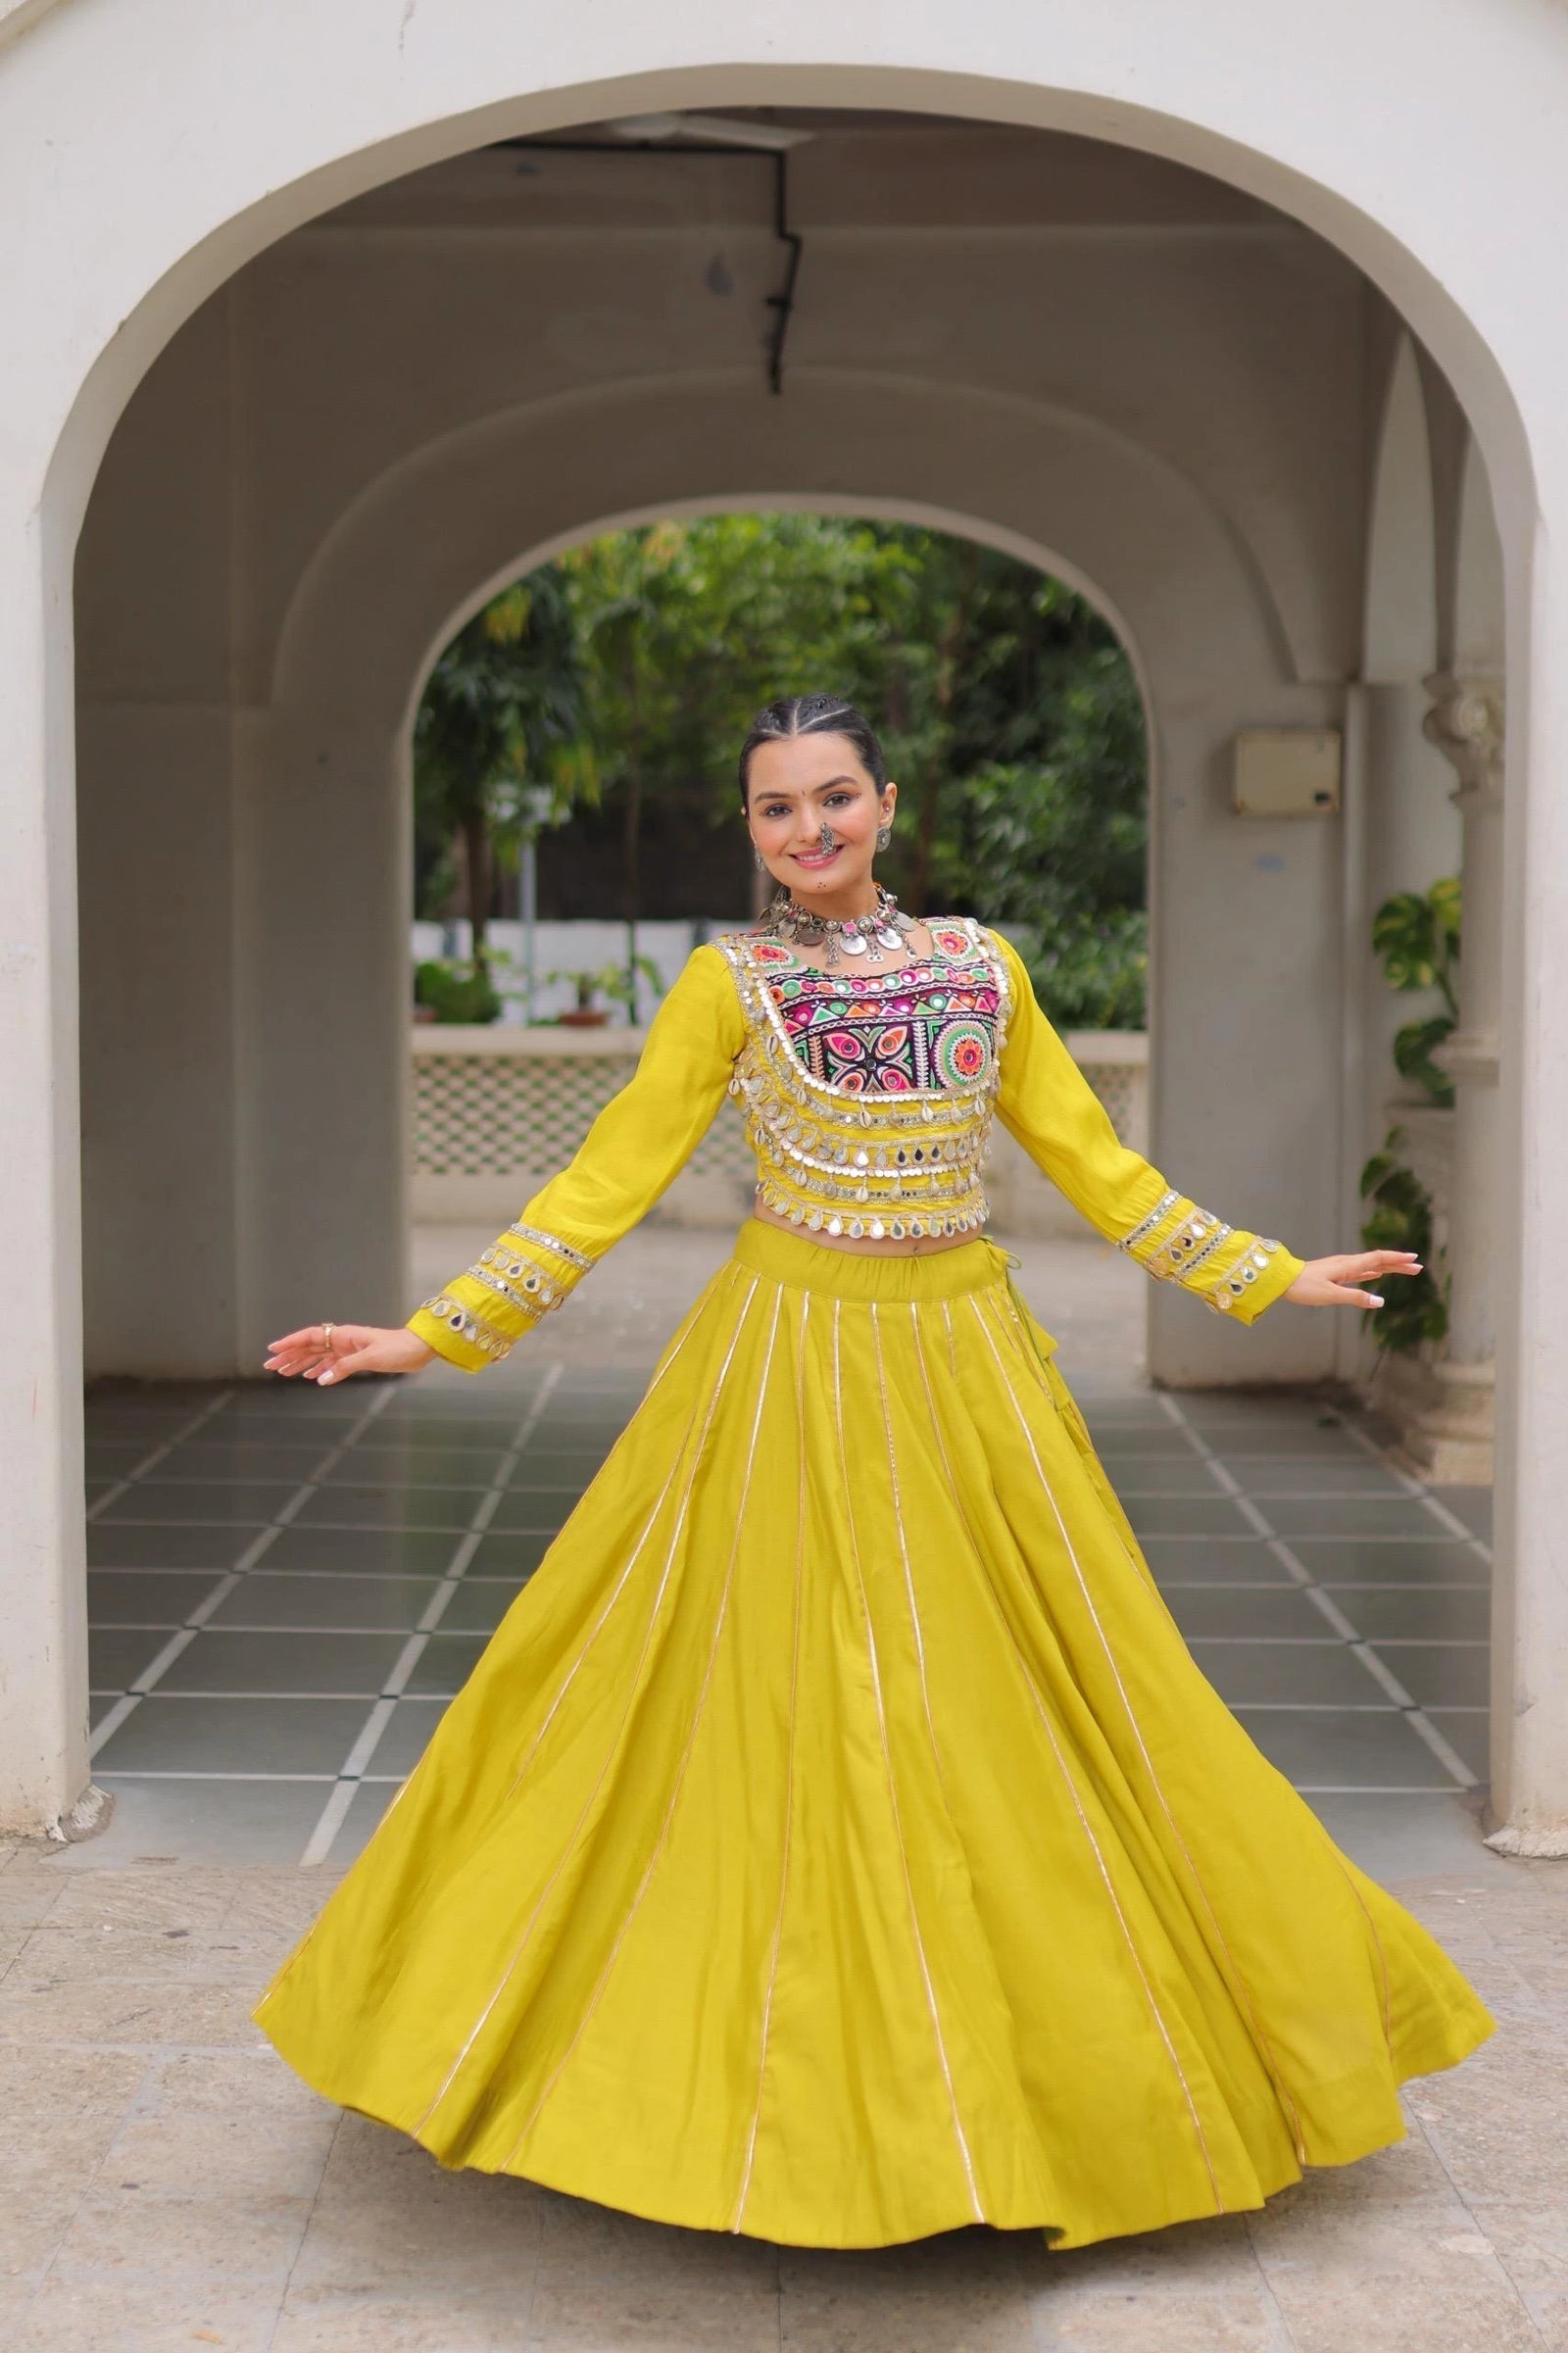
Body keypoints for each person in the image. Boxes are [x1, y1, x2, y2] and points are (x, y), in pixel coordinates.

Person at [254, 694, 1492, 2252]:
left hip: (964, 1357)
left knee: (1045, 1693)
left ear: (888, 802)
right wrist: (432, 1333)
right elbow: (604, 1179)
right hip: (779, 1360)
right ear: (754, 830)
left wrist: (1260, 1273)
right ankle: (776, 2100)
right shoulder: (727, 987)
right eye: (778, 809)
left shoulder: (984, 967)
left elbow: (1093, 1160)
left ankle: (1052, 2077)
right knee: (766, 1706)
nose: (810, 829)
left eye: (834, 796)